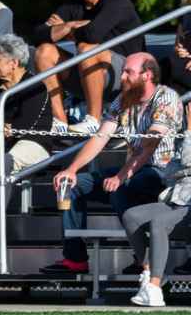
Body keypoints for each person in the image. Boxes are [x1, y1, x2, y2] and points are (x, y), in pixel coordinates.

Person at [41, 53, 182, 274]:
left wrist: (120, 176)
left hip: (162, 172)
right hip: (132, 171)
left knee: (121, 189)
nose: (122, 76)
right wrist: (71, 170)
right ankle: (75, 259)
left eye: (128, 72)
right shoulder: (123, 99)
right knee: (73, 185)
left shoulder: (166, 97)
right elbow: (100, 138)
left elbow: (150, 145)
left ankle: (144, 259)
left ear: (147, 75)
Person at [121, 90, 191, 306]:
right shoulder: (190, 137)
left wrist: (190, 132)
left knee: (158, 223)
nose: (188, 111)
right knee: (131, 216)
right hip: (177, 201)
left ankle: (154, 288)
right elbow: (170, 171)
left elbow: (187, 158)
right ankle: (150, 272)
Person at [34, 0, 144, 133]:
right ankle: (59, 122)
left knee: (87, 49)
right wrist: (69, 26)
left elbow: (93, 34)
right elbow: (38, 35)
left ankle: (93, 119)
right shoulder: (73, 4)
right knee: (44, 52)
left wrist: (66, 31)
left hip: (127, 75)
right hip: (87, 74)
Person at [0, 34, 52, 177]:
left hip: (33, 143)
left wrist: (7, 127)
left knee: (3, 163)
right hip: (4, 141)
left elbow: (22, 125)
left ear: (13, 63)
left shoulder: (34, 86)